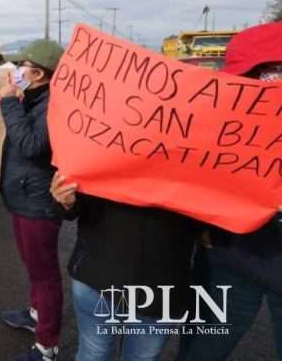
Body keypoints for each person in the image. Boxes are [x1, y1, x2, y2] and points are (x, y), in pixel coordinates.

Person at [178, 22, 282, 360]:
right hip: (228, 259)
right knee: (200, 349)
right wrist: (201, 227)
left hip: (233, 258)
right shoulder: (219, 120)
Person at [51, 173, 202, 360]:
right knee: (94, 352)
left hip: (163, 280)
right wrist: (66, 201)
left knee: (139, 356)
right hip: (98, 271)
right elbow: (74, 200)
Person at [0, 40, 64, 361]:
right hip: (20, 195)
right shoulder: (30, 97)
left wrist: (10, 104)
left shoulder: (53, 105)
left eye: (23, 66)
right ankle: (36, 315)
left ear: (40, 73)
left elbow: (30, 145)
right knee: (34, 267)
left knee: (45, 274)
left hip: (38, 202)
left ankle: (47, 346)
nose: (16, 72)